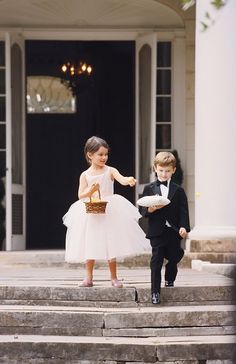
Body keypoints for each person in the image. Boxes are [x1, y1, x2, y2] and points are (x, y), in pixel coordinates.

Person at [63, 136, 149, 288]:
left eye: (106, 154)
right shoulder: (85, 175)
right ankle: (88, 277)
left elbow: (121, 179)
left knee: (111, 243)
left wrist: (128, 180)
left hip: (109, 210)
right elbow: (80, 195)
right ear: (90, 155)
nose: (104, 157)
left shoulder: (110, 170)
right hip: (91, 212)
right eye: (100, 154)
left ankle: (114, 277)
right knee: (89, 242)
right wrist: (91, 190)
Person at [139, 151, 190, 304]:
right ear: (155, 168)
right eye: (161, 170)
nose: (164, 174)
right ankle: (155, 292)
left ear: (173, 170)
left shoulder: (178, 190)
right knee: (156, 261)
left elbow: (183, 210)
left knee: (174, 257)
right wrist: (150, 209)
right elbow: (142, 209)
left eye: (167, 171)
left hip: (174, 231)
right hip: (157, 231)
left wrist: (184, 227)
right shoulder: (149, 188)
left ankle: (169, 279)